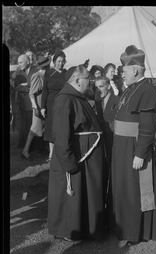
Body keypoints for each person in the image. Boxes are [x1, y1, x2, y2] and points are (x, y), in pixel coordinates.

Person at [111, 45, 156, 246]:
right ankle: (124, 226)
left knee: (134, 190)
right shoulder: (132, 88)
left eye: (124, 70)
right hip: (122, 147)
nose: (121, 73)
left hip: (134, 148)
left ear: (134, 69)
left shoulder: (148, 91)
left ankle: (135, 230)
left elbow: (148, 126)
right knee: (124, 188)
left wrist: (140, 153)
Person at [47, 65, 106, 242]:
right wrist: (68, 162)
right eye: (88, 77)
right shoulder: (65, 100)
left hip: (85, 155)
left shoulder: (77, 98)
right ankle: (71, 230)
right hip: (77, 156)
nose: (91, 81)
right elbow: (61, 135)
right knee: (74, 197)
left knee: (86, 194)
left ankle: (86, 228)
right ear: (77, 79)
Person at [94, 76, 120, 231]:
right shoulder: (97, 103)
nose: (99, 90)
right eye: (96, 87)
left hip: (113, 142)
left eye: (101, 86)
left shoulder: (117, 101)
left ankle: (113, 214)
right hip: (101, 144)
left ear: (109, 86)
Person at [21, 56, 51, 160]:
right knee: (35, 128)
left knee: (44, 127)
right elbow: (31, 93)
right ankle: (25, 151)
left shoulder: (47, 75)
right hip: (38, 104)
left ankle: (44, 149)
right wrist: (35, 107)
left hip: (45, 104)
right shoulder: (37, 76)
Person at [41, 50, 67, 162]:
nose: (60, 63)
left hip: (64, 104)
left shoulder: (67, 74)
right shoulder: (49, 73)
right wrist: (42, 107)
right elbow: (44, 91)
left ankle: (61, 151)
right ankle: (51, 153)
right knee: (51, 127)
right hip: (51, 104)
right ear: (54, 61)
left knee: (63, 126)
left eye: (62, 61)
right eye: (58, 61)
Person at [12, 54, 38, 148]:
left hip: (34, 102)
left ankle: (34, 145)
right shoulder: (18, 73)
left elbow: (36, 84)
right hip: (23, 103)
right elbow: (16, 86)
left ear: (27, 61)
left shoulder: (36, 70)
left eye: (21, 62)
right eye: (18, 62)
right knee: (24, 125)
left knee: (34, 124)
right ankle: (25, 144)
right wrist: (29, 87)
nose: (19, 64)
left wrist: (26, 85)